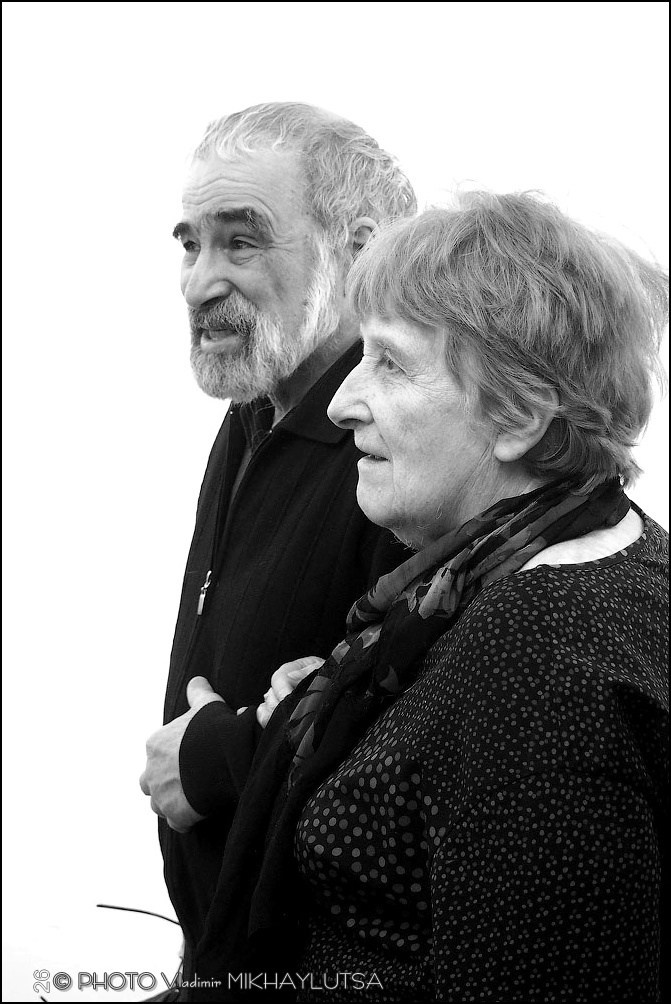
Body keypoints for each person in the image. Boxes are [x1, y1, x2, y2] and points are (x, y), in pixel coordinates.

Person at [188, 193, 669, 1002]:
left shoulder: (540, 657)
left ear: (517, 415)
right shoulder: (575, 567)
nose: (341, 402)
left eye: (389, 362)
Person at [139, 103, 416, 995]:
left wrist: (221, 760)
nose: (198, 284)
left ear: (361, 250)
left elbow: (438, 733)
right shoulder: (254, 407)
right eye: (191, 245)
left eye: (241, 242)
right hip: (223, 960)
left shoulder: (408, 448)